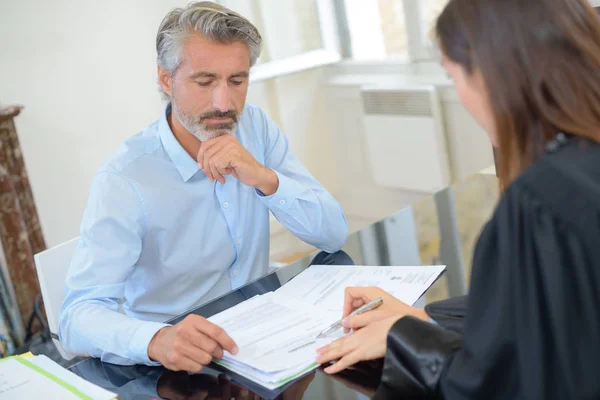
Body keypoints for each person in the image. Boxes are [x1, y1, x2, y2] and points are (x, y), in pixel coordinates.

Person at [316, 0, 600, 398]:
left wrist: (405, 340)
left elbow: (494, 383)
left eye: (453, 78)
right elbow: (542, 309)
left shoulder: (538, 204)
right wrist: (420, 316)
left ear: (491, 74)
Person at [59, 1, 348, 372]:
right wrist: (155, 339)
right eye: (205, 81)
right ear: (166, 79)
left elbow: (333, 234)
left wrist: (264, 178)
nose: (224, 103)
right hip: (179, 363)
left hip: (263, 337)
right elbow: (76, 317)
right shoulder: (125, 179)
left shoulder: (255, 128)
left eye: (237, 80)